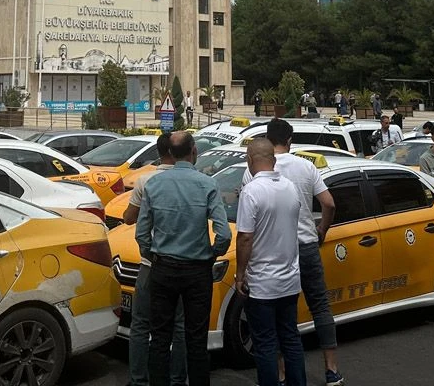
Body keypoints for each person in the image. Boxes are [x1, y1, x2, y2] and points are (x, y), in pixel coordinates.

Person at [242, 120, 343, 386]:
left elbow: (249, 222)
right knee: (319, 305)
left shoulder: (254, 170)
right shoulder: (306, 166)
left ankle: (280, 373)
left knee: (275, 318)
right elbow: (329, 203)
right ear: (289, 140)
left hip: (273, 249)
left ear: (267, 140)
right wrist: (321, 229)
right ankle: (331, 370)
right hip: (307, 244)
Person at [136, 131, 232, 386]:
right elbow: (223, 233)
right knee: (196, 340)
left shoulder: (154, 184)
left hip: (163, 269)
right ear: (194, 151)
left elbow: (141, 232)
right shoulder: (207, 184)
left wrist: (151, 253)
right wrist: (213, 254)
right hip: (197, 270)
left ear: (169, 152)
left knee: (159, 338)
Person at [236, 138, 307, 386]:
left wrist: (240, 275)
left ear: (249, 160)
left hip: (262, 283)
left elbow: (245, 238)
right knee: (291, 338)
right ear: (273, 160)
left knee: (265, 343)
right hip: (289, 280)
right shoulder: (290, 187)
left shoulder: (251, 191)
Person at [123, 134, 188, 386]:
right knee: (179, 326)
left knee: (141, 324)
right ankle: (177, 379)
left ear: (161, 153)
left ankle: (138, 379)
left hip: (151, 265)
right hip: (182, 263)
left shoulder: (145, 181)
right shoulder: (192, 181)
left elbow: (129, 218)